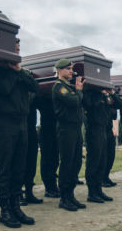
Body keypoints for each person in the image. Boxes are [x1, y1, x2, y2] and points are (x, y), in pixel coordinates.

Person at [0, 45, 41, 228]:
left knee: (19, 167)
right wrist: (13, 71)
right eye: (14, 49)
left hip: (22, 123)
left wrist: (19, 71)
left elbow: (35, 87)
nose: (17, 53)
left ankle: (16, 206)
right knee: (5, 168)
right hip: (5, 123)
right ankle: (5, 210)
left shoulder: (21, 71)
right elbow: (5, 90)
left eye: (18, 49)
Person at [52, 59, 86, 210]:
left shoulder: (69, 87)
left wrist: (77, 92)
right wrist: (79, 91)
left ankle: (71, 195)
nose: (71, 71)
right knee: (66, 163)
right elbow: (73, 102)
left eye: (71, 69)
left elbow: (78, 101)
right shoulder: (59, 87)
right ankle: (64, 198)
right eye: (68, 69)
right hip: (66, 129)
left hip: (76, 128)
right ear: (59, 70)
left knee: (76, 162)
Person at [82, 88, 116, 203]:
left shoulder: (102, 96)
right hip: (93, 130)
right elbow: (91, 105)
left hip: (103, 129)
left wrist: (106, 94)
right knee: (93, 162)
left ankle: (98, 190)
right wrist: (97, 91)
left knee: (102, 161)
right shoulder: (88, 93)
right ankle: (91, 193)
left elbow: (111, 110)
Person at [36, 94, 60, 197]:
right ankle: (49, 187)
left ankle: (53, 185)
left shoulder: (55, 97)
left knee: (54, 159)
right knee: (47, 160)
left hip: (56, 130)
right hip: (46, 131)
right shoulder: (42, 97)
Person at [101, 89, 122, 187]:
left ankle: (106, 176)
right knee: (103, 155)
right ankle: (101, 178)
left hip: (109, 129)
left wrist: (112, 93)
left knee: (111, 155)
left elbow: (120, 104)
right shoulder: (99, 95)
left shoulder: (109, 96)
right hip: (100, 129)